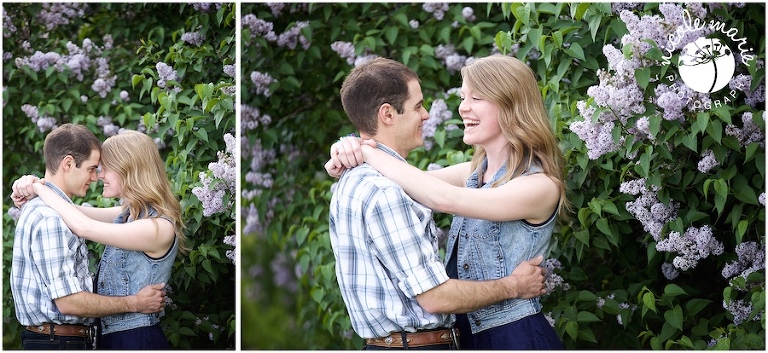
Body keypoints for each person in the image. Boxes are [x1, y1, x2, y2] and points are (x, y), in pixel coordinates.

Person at [328, 55, 566, 349]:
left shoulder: (539, 186)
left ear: (511, 104)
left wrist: (367, 151)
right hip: (465, 338)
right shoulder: (475, 173)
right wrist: (348, 146)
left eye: (476, 97)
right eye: (463, 96)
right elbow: (407, 182)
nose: (462, 107)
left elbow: (442, 198)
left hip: (512, 336)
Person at [11, 128, 186, 349]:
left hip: (136, 338)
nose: (99, 176)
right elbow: (72, 211)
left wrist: (38, 187)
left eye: (105, 168)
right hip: (109, 337)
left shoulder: (158, 227)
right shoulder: (127, 216)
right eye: (95, 168)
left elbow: (84, 226)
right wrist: (32, 190)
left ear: (128, 168)